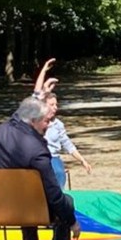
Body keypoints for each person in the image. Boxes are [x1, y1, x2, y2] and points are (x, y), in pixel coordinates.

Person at [0, 97, 81, 240]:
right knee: (65, 201)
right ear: (33, 122)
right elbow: (54, 194)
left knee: (26, 200)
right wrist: (72, 222)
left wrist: (40, 93)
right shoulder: (38, 151)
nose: (48, 125)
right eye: (46, 121)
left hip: (3, 208)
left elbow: (19, 114)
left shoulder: (2, 130)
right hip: (32, 209)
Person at [33, 58, 92, 187]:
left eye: (56, 105)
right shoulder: (36, 119)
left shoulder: (58, 124)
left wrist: (82, 160)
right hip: (37, 157)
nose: (55, 107)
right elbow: (36, 94)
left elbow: (68, 144)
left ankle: (58, 201)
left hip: (53, 158)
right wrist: (44, 70)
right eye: (52, 105)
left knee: (58, 172)